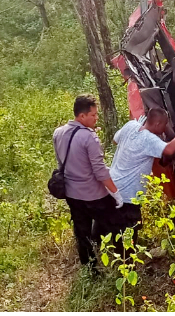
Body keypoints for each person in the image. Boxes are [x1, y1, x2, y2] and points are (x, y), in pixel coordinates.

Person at [53, 94, 124, 272]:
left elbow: (60, 163)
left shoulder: (58, 133)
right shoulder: (89, 137)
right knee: (114, 226)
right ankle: (123, 262)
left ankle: (90, 269)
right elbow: (100, 171)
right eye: (93, 115)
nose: (96, 118)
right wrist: (115, 192)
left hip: (72, 194)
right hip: (94, 195)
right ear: (81, 116)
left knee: (81, 232)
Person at [110, 108, 175, 248]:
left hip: (112, 186)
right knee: (130, 230)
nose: (165, 128)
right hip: (128, 194)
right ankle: (127, 263)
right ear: (157, 123)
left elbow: (115, 140)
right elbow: (169, 150)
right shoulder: (149, 139)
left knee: (114, 226)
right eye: (164, 124)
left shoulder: (131, 126)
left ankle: (107, 257)